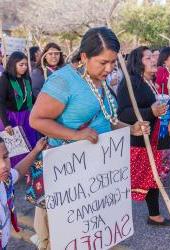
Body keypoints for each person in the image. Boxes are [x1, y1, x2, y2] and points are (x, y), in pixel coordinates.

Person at [28, 27, 150, 249]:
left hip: (95, 175)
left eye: (113, 62)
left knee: (95, 236)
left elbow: (106, 118)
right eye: (103, 62)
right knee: (64, 239)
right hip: (67, 176)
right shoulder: (63, 81)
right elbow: (36, 120)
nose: (110, 68)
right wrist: (76, 134)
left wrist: (130, 129)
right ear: (84, 57)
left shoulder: (99, 80)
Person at [117, 46, 170, 227]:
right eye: (148, 58)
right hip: (137, 141)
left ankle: (154, 215)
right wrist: (151, 111)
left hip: (152, 139)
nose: (153, 59)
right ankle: (114, 219)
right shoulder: (130, 82)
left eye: (153, 56)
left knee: (153, 177)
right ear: (137, 62)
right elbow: (123, 114)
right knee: (129, 181)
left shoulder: (149, 81)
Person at [0, 137, 47, 250]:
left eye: (5, 157)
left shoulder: (5, 181)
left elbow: (19, 171)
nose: (3, 165)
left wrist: (36, 150)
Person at [0, 51, 37, 166]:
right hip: (11, 118)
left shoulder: (27, 79)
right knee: (16, 149)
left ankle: (32, 170)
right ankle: (16, 173)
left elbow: (31, 97)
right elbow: (0, 102)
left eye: (26, 64)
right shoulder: (5, 79)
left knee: (30, 144)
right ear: (13, 64)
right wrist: (6, 123)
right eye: (21, 65)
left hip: (26, 116)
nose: (24, 67)